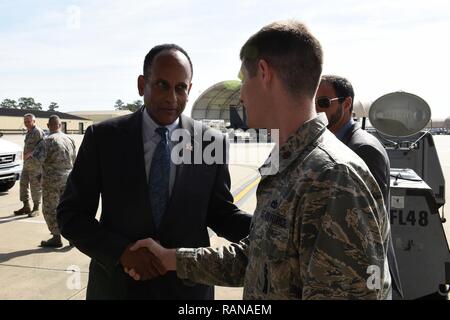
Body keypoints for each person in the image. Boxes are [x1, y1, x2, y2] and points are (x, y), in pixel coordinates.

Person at [128, 20, 392, 300]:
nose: (241, 95)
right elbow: (258, 258)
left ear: (264, 73)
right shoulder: (291, 163)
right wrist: (172, 259)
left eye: (244, 80)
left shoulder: (332, 177)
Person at [56, 44, 252, 299]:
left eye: (181, 87)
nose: (172, 98)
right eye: (162, 85)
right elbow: (71, 215)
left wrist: (270, 228)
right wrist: (121, 252)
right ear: (142, 85)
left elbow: (221, 214)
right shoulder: (103, 139)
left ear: (189, 89)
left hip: (187, 291)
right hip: (118, 288)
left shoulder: (210, 142)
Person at [315, 75, 403, 298]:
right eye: (313, 102)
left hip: (363, 274)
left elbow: (367, 224)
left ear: (346, 104)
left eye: (323, 102)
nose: (316, 109)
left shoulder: (363, 149)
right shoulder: (328, 144)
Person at [29, 115, 77, 248]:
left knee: (50, 209)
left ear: (48, 125)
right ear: (60, 125)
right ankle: (72, 237)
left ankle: (56, 237)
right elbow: (75, 160)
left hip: (52, 181)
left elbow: (34, 161)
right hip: (68, 179)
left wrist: (38, 175)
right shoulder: (69, 139)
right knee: (67, 208)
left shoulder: (47, 141)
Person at [14, 114, 44, 217]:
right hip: (27, 164)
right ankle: (26, 206)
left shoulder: (37, 132)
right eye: (25, 121)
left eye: (29, 121)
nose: (26, 123)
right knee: (23, 184)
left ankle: (36, 208)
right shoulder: (29, 132)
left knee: (35, 186)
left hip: (35, 165)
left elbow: (42, 147)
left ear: (34, 121)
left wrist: (30, 153)